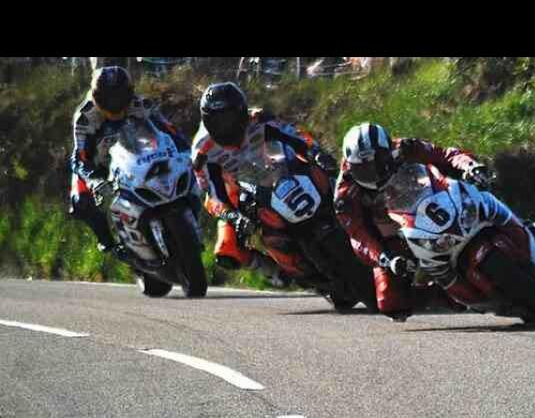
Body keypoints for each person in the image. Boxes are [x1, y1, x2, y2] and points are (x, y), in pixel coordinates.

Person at [333, 123, 493, 321]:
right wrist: (385, 257)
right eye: (364, 169)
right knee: (390, 303)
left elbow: (445, 154)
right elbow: (358, 235)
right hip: (393, 232)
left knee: (481, 187)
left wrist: (470, 167)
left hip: (432, 199)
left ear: (388, 151)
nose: (373, 172)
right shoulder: (344, 195)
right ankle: (440, 294)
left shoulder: (404, 147)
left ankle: (509, 223)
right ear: (351, 165)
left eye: (379, 162)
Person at [191, 82, 339, 286]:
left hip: (277, 169)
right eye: (218, 121)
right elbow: (211, 194)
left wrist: (317, 152)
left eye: (230, 118)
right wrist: (232, 216)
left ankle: (346, 212)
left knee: (324, 172)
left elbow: (296, 136)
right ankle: (273, 270)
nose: (226, 126)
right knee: (227, 251)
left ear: (242, 111)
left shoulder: (260, 119)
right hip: (238, 191)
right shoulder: (203, 152)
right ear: (207, 121)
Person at [70, 66, 197, 260]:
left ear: (130, 93)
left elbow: (171, 132)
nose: (114, 104)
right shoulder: (85, 117)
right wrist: (94, 179)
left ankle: (189, 224)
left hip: (140, 158)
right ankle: (109, 242)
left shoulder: (143, 104)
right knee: (81, 201)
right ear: (96, 96)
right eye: (108, 98)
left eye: (119, 96)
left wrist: (186, 152)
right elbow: (80, 157)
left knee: (188, 178)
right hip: (99, 167)